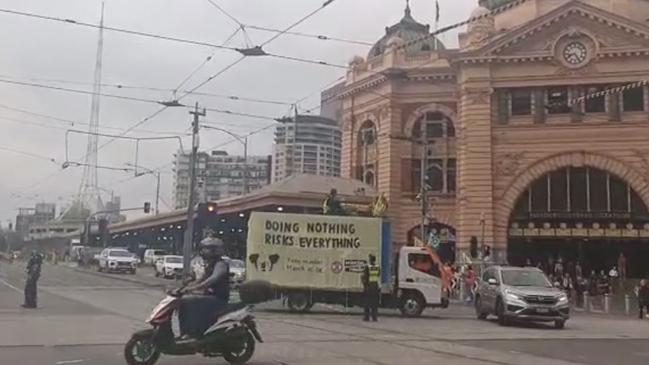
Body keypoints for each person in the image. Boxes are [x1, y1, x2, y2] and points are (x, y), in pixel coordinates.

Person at [178, 237, 230, 339]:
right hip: (209, 296)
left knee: (188, 302)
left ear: (214, 250)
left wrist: (194, 288)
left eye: (205, 249)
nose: (202, 251)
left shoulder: (221, 264)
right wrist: (184, 288)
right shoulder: (210, 265)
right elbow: (201, 279)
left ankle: (192, 333)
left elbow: (213, 279)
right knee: (182, 302)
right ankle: (185, 332)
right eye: (203, 249)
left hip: (218, 298)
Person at [361, 254, 380, 322]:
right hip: (375, 286)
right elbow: (378, 275)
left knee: (367, 302)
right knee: (374, 303)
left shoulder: (367, 267)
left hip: (369, 287)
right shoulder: (378, 267)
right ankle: (374, 317)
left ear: (370, 260)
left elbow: (365, 277)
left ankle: (366, 317)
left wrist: (364, 284)